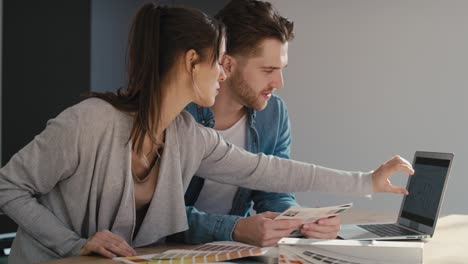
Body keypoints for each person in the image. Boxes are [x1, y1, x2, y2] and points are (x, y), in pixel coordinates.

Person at [0, 2, 414, 263]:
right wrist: (74, 243)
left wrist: (366, 181)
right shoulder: (90, 121)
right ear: (191, 61)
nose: (223, 72)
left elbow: (270, 171)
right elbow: (8, 186)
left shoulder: (186, 135)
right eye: (217, 61)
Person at [178, 0, 339, 247]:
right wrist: (235, 228)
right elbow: (158, 215)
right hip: (170, 251)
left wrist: (301, 221)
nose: (279, 83)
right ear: (228, 65)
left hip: (234, 250)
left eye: (282, 69)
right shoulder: (178, 114)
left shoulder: (274, 113)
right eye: (268, 70)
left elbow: (275, 192)